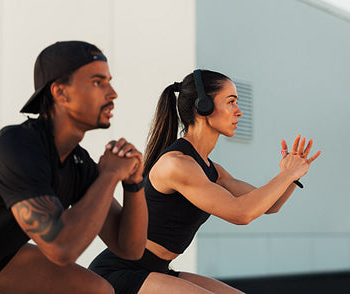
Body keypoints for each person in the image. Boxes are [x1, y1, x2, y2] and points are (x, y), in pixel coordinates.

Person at [0, 41, 148, 294]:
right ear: (60, 92)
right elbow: (61, 248)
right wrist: (110, 174)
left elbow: (129, 248)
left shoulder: (77, 163)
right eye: (98, 82)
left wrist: (133, 183)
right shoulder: (15, 148)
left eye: (109, 81)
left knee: (96, 290)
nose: (112, 93)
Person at [89, 69, 321, 294]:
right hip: (120, 273)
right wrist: (286, 175)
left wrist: (292, 176)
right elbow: (241, 214)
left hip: (157, 269)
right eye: (231, 101)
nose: (239, 111)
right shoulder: (177, 165)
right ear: (204, 106)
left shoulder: (212, 170)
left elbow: (270, 205)